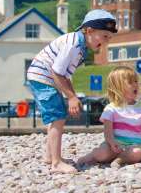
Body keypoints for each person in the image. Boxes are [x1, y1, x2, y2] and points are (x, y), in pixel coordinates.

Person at [26, 9, 117, 173]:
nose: (106, 42)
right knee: (57, 117)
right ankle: (56, 162)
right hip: (43, 77)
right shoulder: (74, 44)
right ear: (89, 30)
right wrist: (72, 97)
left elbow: (65, 75)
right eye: (104, 36)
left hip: (45, 77)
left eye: (109, 38)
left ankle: (50, 156)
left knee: (57, 117)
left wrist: (72, 96)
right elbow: (57, 72)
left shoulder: (79, 45)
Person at [77, 67, 141, 166]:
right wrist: (112, 142)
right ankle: (92, 156)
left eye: (135, 81)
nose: (135, 84)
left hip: (135, 144)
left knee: (137, 153)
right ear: (118, 88)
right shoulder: (111, 108)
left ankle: (121, 159)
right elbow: (107, 132)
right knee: (103, 153)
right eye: (130, 82)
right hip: (114, 143)